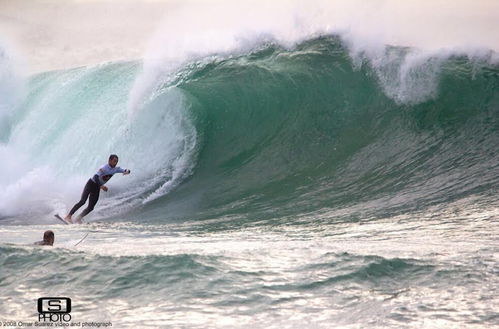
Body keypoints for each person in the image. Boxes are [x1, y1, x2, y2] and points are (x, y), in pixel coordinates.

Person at [65, 154, 131, 223]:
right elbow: (96, 177)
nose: (115, 163)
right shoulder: (104, 168)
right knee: (83, 201)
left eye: (116, 161)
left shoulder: (115, 169)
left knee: (91, 207)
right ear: (109, 160)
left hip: (97, 188)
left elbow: (124, 170)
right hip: (91, 184)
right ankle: (68, 216)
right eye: (114, 161)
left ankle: (78, 218)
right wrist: (101, 186)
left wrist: (127, 171)